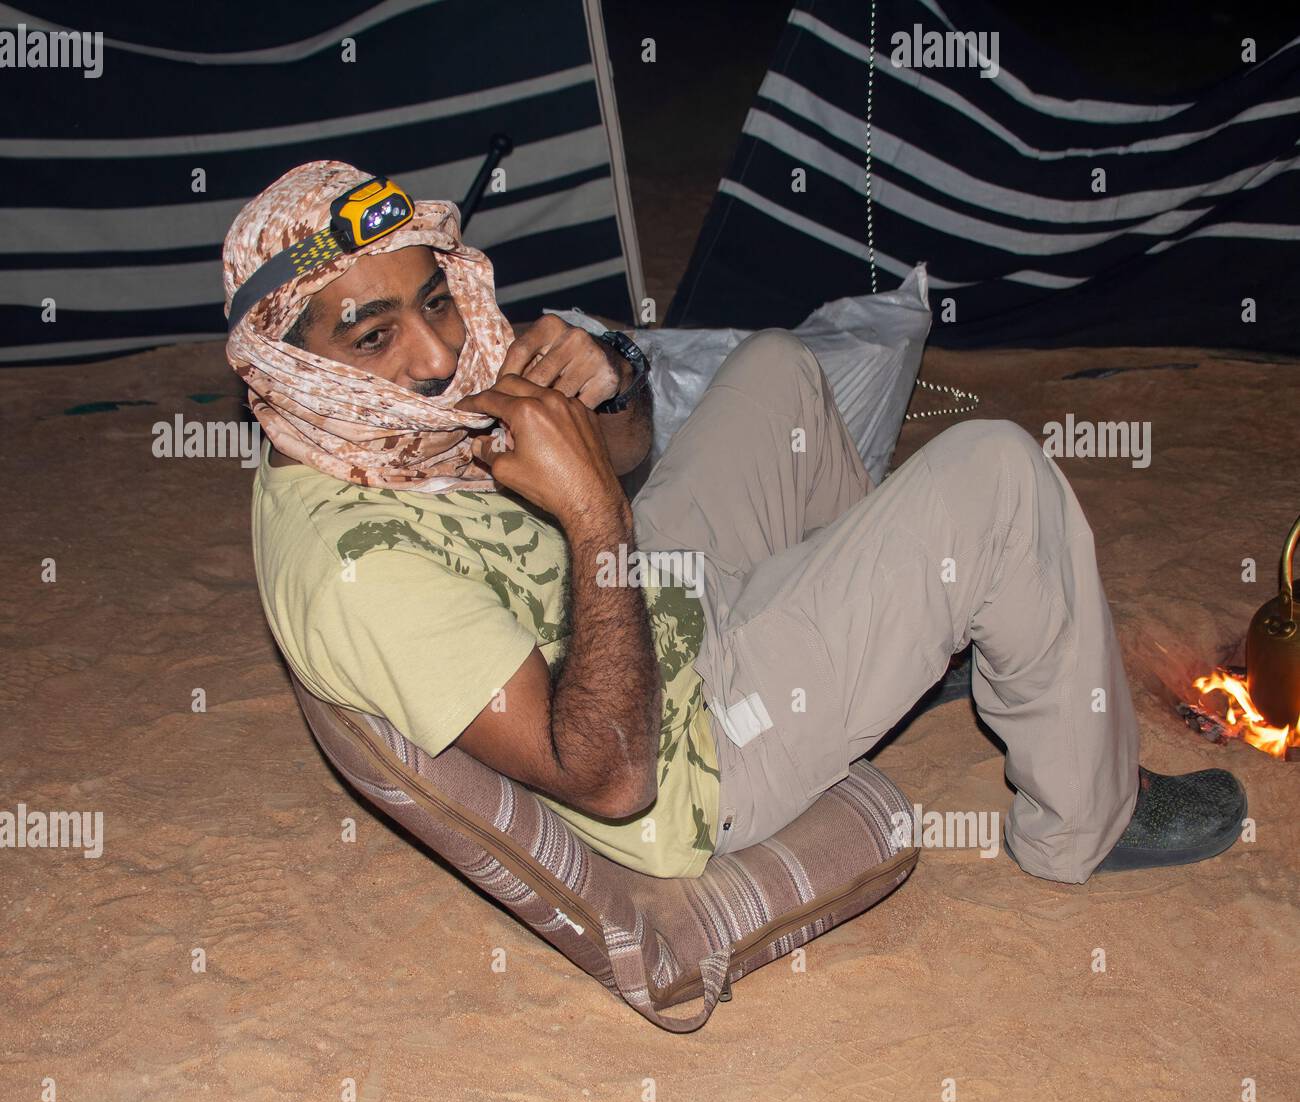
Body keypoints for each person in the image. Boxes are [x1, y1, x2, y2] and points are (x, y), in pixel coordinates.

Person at [225, 160, 1246, 883]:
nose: (439, 358)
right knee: (997, 474)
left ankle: (911, 634)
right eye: (373, 335)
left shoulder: (372, 430)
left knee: (776, 372)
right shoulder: (358, 568)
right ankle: (1086, 825)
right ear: (295, 361)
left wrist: (613, 380)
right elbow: (609, 778)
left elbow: (627, 462)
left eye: (433, 302)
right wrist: (590, 519)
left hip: (634, 615)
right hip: (689, 747)